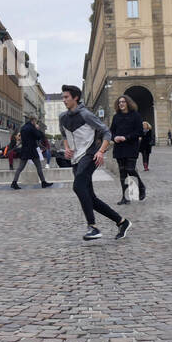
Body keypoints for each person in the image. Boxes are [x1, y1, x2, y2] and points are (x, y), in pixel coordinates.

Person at [59, 85, 129, 241]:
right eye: (63, 97)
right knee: (91, 198)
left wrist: (101, 151)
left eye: (66, 97)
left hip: (90, 155)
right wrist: (67, 149)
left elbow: (106, 132)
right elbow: (64, 135)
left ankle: (93, 227)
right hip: (76, 158)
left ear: (75, 98)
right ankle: (121, 222)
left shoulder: (85, 114)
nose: (63, 100)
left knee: (77, 186)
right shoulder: (62, 117)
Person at [109, 94, 145, 204]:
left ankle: (141, 187)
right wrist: (114, 137)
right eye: (119, 102)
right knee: (122, 173)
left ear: (128, 103)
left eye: (123, 102)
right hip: (119, 147)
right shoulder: (116, 117)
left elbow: (139, 132)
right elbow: (111, 132)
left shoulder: (136, 115)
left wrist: (126, 137)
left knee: (130, 169)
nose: (121, 104)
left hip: (131, 146)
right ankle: (125, 197)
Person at [10, 116, 52, 189]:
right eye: (35, 121)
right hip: (32, 150)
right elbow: (39, 136)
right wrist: (37, 129)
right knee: (38, 166)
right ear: (33, 120)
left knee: (20, 168)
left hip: (24, 150)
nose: (36, 123)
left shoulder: (23, 127)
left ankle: (14, 182)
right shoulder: (32, 128)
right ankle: (43, 182)